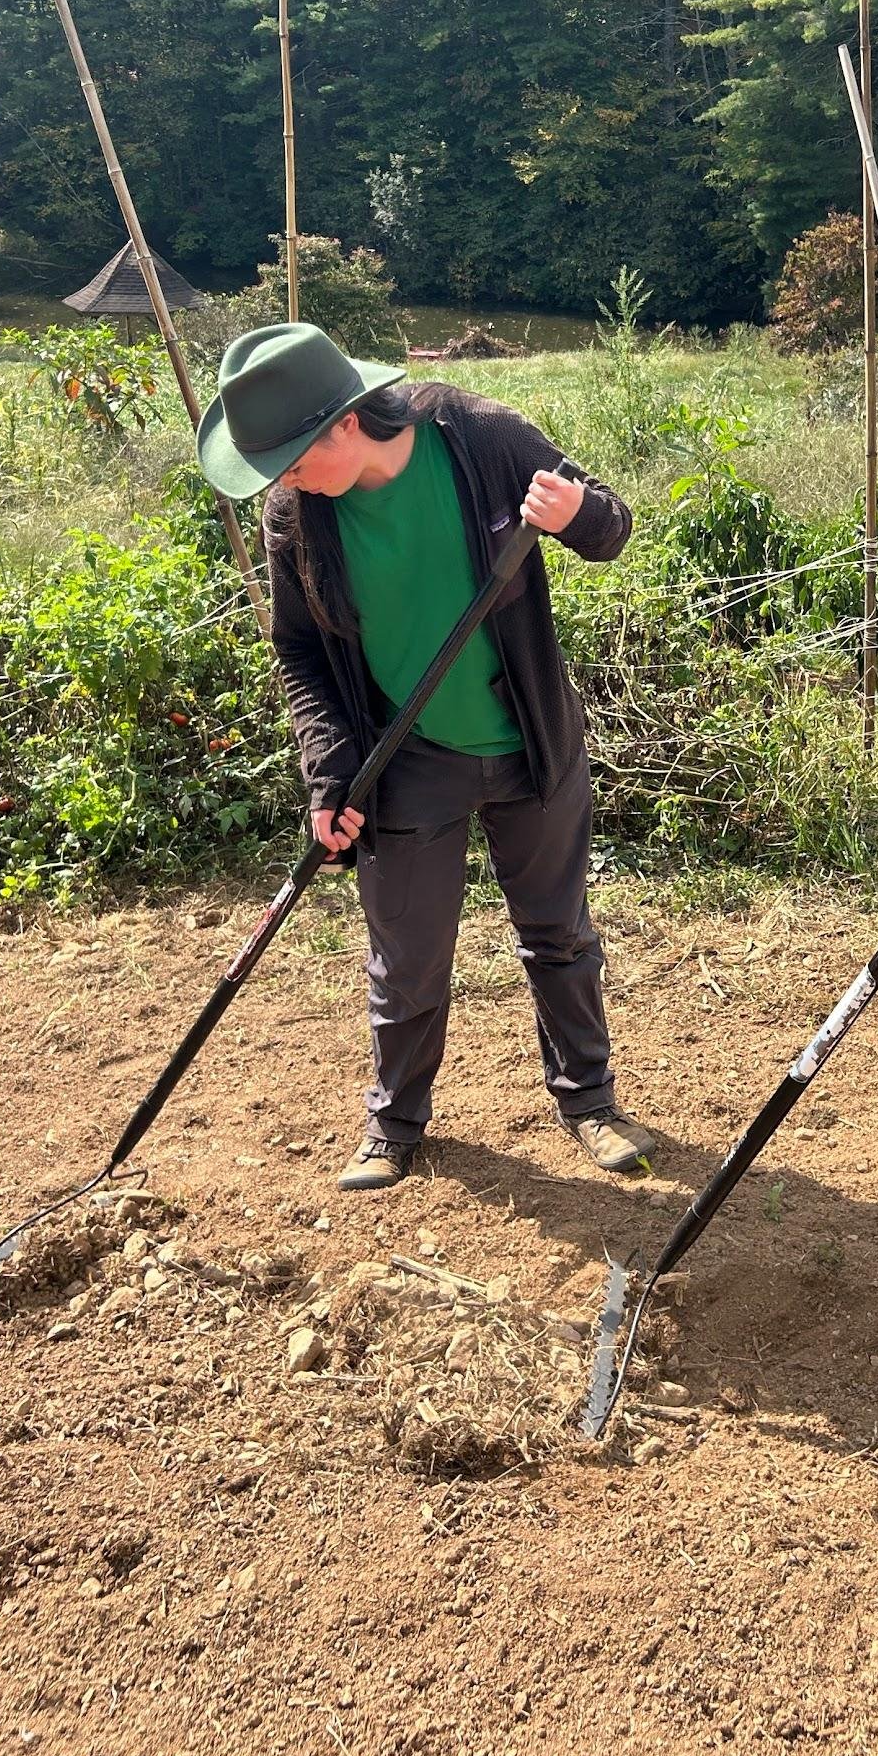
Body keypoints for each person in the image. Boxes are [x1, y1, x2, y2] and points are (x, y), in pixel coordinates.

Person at [196, 320, 655, 1192]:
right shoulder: (297, 515)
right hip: (403, 758)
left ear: (344, 423)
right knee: (405, 955)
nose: (283, 483)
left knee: (557, 935)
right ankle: (395, 1124)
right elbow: (298, 652)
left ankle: (589, 1104)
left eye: (291, 460)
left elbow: (609, 527)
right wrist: (328, 777)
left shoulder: (479, 436)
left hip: (530, 741)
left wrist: (577, 514)